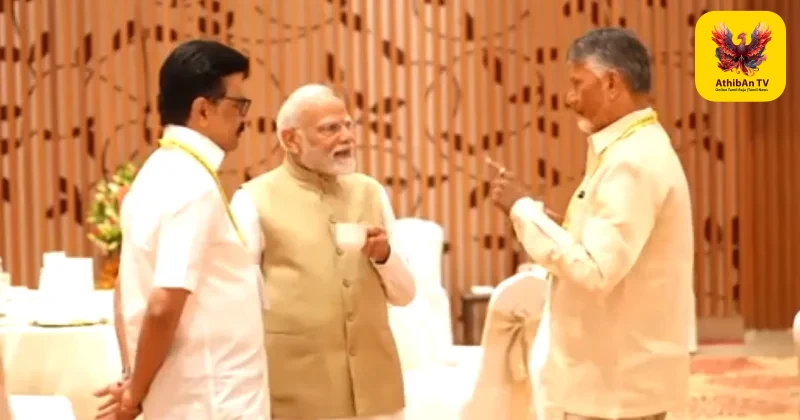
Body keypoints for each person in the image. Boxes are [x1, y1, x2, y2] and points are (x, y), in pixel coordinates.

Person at [489, 28, 693, 420]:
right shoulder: (632, 146)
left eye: (577, 83)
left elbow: (596, 269)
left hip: (617, 385)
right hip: (617, 377)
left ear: (612, 83)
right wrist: (551, 224)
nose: (569, 98)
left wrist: (523, 210)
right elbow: (606, 245)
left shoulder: (631, 161)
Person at [93, 39, 269, 419]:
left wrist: (133, 378)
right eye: (238, 104)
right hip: (214, 399)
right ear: (203, 110)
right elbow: (162, 305)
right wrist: (133, 396)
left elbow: (125, 290)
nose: (245, 118)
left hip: (186, 394)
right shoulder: (192, 183)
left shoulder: (153, 172)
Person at [229, 83, 416, 420]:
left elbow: (405, 296)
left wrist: (384, 256)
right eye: (330, 129)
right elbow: (237, 306)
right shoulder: (252, 200)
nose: (347, 137)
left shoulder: (370, 192)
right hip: (296, 395)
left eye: (348, 125)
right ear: (291, 140)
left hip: (376, 394)